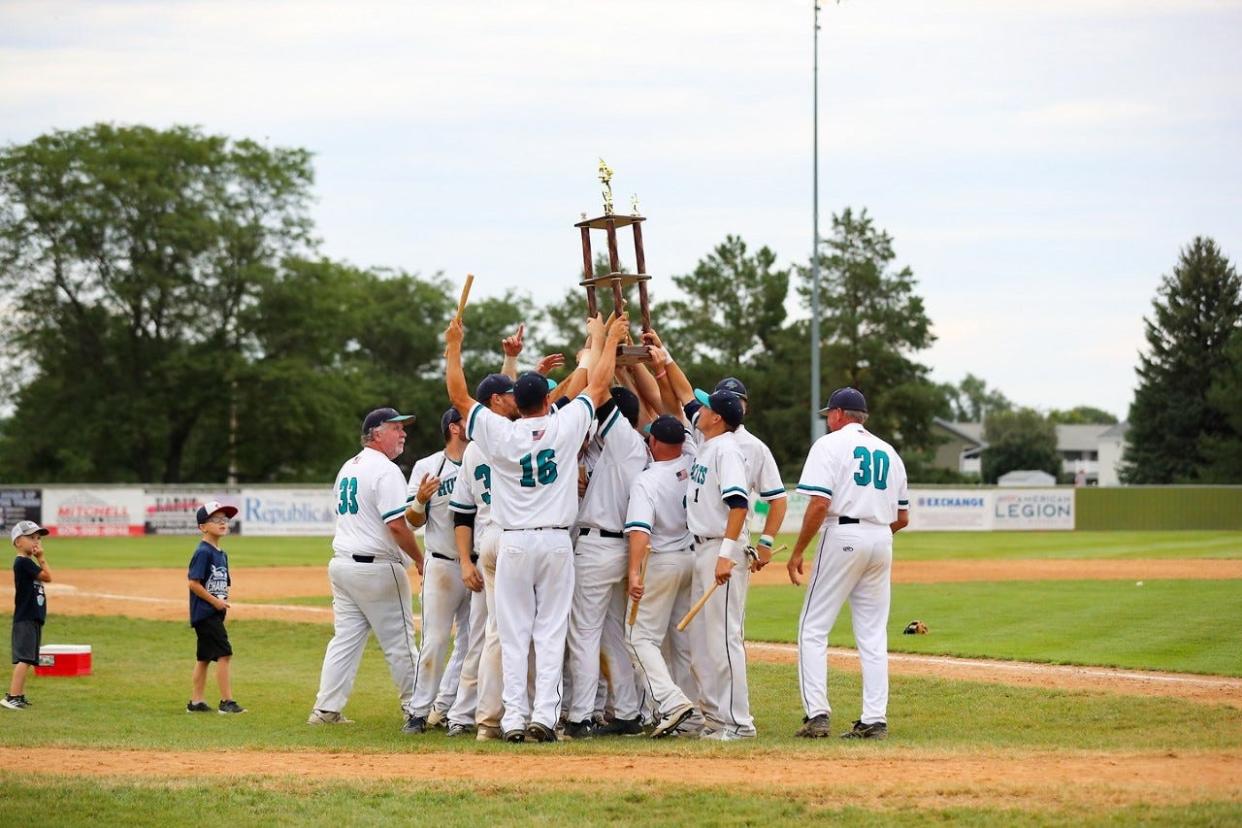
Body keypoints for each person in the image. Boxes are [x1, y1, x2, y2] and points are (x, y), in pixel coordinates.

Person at [444, 312, 627, 743]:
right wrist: (604, 340)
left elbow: (459, 394)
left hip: (513, 542)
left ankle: (512, 719)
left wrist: (453, 345)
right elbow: (596, 385)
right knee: (550, 632)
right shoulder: (563, 426)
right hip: (555, 541)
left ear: (516, 404)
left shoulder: (501, 434)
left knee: (512, 634)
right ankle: (544, 716)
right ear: (546, 400)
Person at [787, 387, 909, 740]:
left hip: (843, 532)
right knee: (872, 634)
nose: (828, 419)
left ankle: (817, 715)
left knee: (813, 627)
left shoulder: (829, 445)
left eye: (829, 413)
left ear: (840, 414)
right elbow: (902, 517)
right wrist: (875, 537)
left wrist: (797, 552)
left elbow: (819, 505)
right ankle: (874, 719)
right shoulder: (888, 450)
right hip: (881, 537)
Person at [309, 407, 426, 732]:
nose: (403, 433)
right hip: (376, 569)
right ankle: (416, 709)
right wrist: (419, 559)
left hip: (343, 565)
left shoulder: (349, 466)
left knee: (344, 640)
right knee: (400, 643)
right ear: (376, 433)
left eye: (403, 428)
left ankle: (325, 709)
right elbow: (397, 526)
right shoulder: (385, 470)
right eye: (395, 428)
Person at [563, 385, 648, 739]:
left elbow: (602, 398)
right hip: (619, 548)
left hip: (599, 548)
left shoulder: (625, 441)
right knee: (612, 633)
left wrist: (599, 348)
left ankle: (580, 716)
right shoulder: (623, 449)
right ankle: (627, 712)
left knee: (584, 634)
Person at [447, 373, 517, 740]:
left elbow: (461, 513)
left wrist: (465, 560)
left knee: (483, 637)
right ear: (495, 402)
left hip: (486, 544)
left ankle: (468, 715)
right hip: (506, 541)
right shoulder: (519, 438)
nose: (515, 398)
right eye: (508, 394)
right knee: (500, 634)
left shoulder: (475, 447)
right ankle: (474, 714)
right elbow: (461, 512)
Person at [683, 388, 755, 740]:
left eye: (707, 406)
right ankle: (717, 718)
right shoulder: (709, 443)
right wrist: (662, 357)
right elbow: (686, 397)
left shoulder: (726, 450)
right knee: (706, 641)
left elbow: (738, 504)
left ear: (718, 418)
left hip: (720, 550)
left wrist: (726, 554)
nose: (701, 409)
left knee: (726, 639)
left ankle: (739, 723)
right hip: (703, 548)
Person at [623, 415, 700, 738]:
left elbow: (640, 531)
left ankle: (671, 703)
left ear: (653, 443)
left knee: (638, 638)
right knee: (681, 643)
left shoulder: (648, 480)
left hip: (663, 561)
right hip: (692, 557)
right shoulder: (693, 461)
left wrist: (634, 572)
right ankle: (693, 719)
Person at [402, 407, 472, 733]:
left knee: (472, 643)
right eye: (467, 419)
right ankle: (418, 712)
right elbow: (412, 521)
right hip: (442, 562)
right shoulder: (428, 466)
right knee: (435, 639)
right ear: (454, 428)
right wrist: (418, 501)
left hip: (476, 564)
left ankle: (446, 707)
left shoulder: (482, 460)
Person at [186, 501, 245, 714]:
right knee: (224, 654)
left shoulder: (221, 553)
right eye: (216, 519)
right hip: (205, 612)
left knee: (204, 657)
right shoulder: (203, 552)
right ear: (203, 526)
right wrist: (215, 602)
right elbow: (193, 583)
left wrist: (220, 604)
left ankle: (196, 702)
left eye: (225, 519)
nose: (222, 523)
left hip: (214, 612)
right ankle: (226, 702)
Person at [3, 521, 52, 711]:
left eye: (38, 538)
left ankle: (18, 695)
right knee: (25, 659)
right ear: (17, 542)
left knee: (29, 659)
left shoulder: (26, 563)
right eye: (31, 537)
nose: (36, 542)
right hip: (26, 617)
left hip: (32, 617)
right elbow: (48, 576)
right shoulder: (23, 563)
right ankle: (12, 697)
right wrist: (41, 557)